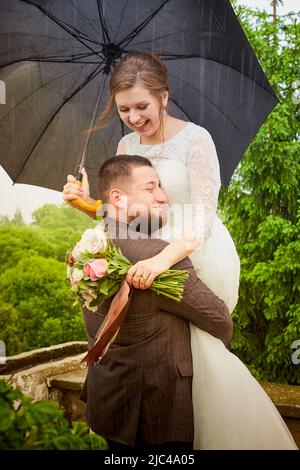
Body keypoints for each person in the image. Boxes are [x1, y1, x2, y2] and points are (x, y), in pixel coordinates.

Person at [63, 52, 297, 449]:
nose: (134, 117)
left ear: (164, 98)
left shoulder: (196, 139)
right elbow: (128, 216)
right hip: (147, 251)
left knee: (198, 351)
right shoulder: (125, 142)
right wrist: (89, 204)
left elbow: (203, 218)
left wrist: (162, 259)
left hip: (194, 251)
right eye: (124, 109)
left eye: (142, 106)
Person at [82, 155, 233, 451]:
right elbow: (219, 319)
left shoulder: (89, 245)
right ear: (118, 198)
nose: (164, 197)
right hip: (158, 416)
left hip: (108, 403)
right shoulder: (156, 254)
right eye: (151, 188)